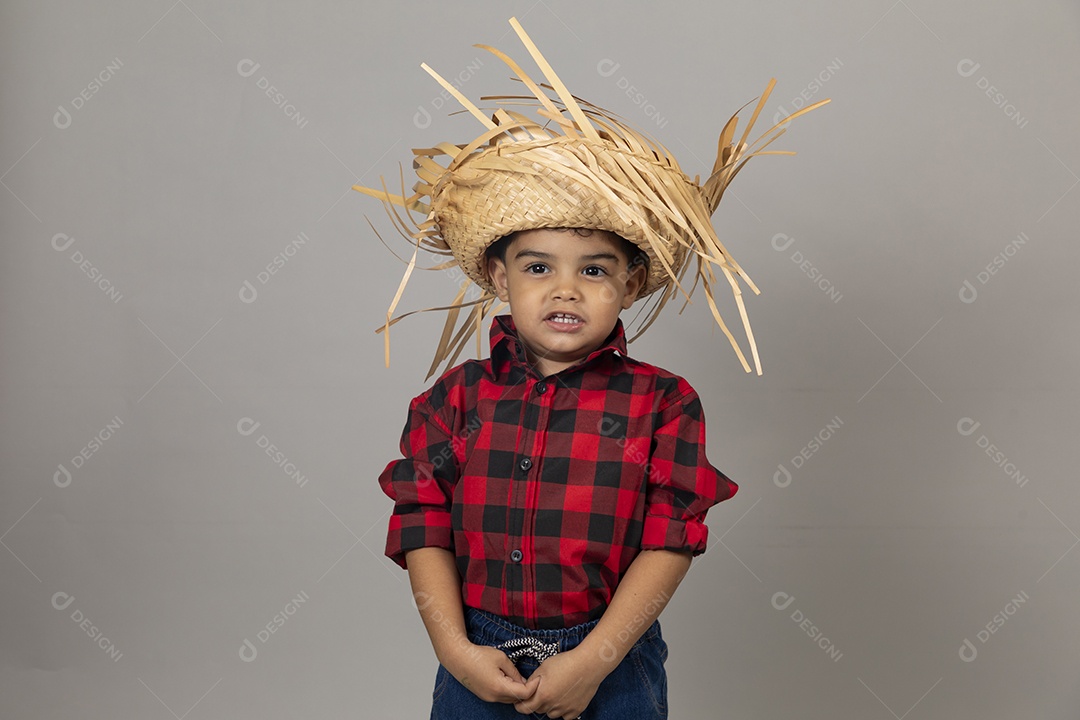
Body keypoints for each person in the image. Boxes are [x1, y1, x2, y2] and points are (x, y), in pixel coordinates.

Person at [354, 17, 827, 719]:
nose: (565, 289)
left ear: (630, 286)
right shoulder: (454, 400)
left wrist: (592, 662)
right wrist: (453, 649)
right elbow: (421, 521)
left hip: (609, 661)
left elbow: (672, 539)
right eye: (538, 267)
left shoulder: (664, 404)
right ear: (497, 274)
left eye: (595, 269)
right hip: (477, 655)